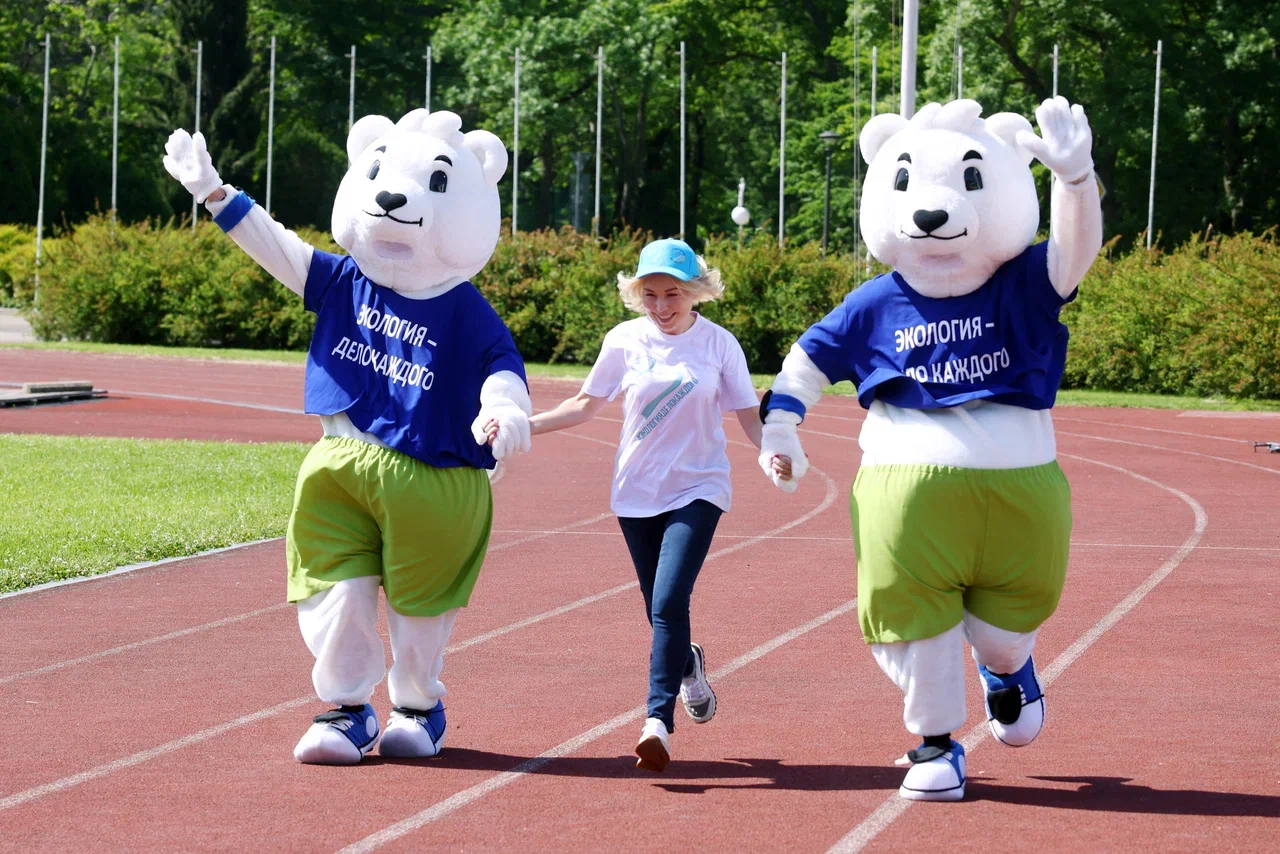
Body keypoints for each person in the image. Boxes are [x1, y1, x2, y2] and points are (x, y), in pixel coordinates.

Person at [487, 238, 791, 772]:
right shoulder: (625, 340)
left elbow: (747, 415)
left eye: (672, 294)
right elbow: (585, 405)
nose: (662, 306)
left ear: (695, 292)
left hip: (699, 488)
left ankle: (656, 722)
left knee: (670, 601)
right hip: (635, 493)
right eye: (650, 295)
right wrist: (522, 424)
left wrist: (772, 454)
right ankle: (688, 664)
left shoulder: (720, 346)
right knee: (660, 610)